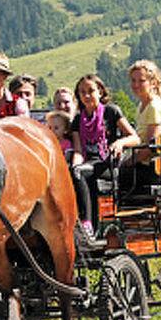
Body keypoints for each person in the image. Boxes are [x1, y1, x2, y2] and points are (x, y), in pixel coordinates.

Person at [64, 73, 138, 241]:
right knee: (74, 173)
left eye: (91, 91)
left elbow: (135, 137)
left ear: (100, 92)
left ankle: (87, 224)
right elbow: (78, 150)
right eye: (82, 92)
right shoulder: (77, 120)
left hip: (108, 164)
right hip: (88, 164)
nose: (87, 95)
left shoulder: (111, 111)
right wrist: (74, 167)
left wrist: (120, 143)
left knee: (79, 173)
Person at [124, 59, 161, 198]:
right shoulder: (141, 106)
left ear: (153, 82)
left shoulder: (154, 107)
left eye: (141, 81)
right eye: (133, 80)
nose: (136, 85)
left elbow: (151, 147)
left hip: (150, 166)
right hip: (142, 162)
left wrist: (128, 162)